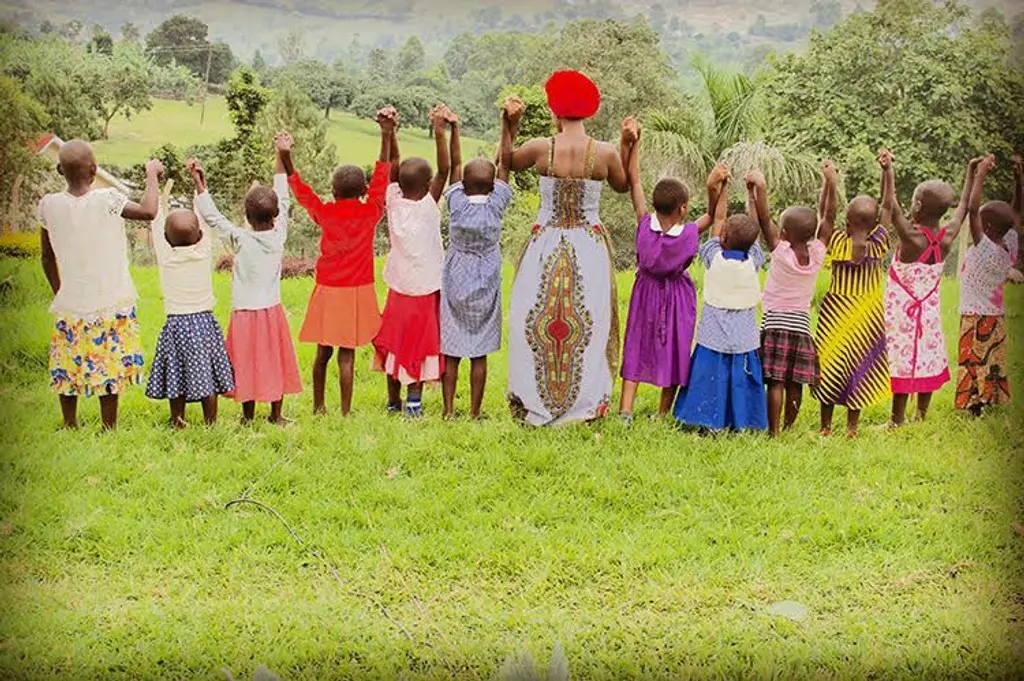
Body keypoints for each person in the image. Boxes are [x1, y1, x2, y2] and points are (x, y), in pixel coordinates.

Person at [503, 71, 632, 426]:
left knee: (535, 319)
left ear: (554, 112)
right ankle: (585, 403)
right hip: (589, 244)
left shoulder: (541, 148)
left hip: (545, 239)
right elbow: (622, 186)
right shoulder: (604, 153)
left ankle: (534, 399)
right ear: (588, 112)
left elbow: (507, 163)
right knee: (589, 322)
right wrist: (627, 145)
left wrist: (509, 125)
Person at [39, 140, 161, 430]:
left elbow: (46, 257)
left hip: (70, 302)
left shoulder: (49, 206)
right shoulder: (108, 199)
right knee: (109, 362)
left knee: (68, 363)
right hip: (111, 300)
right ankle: (109, 425)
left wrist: (61, 291)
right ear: (94, 170)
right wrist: (152, 174)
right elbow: (148, 211)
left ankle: (70, 422)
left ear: (60, 170)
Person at [281, 108, 395, 416]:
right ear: (362, 191)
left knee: (323, 353)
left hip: (328, 290)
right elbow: (382, 178)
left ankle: (319, 407)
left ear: (333, 190)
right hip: (357, 292)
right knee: (347, 355)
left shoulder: (326, 213)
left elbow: (302, 191)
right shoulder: (370, 211)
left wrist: (286, 155)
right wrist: (386, 134)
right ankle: (345, 411)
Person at [618, 118, 727, 422]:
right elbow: (712, 213)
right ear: (682, 208)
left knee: (637, 343)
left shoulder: (644, 224)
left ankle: (625, 410)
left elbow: (635, 180)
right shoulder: (690, 233)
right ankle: (662, 412)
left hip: (644, 292)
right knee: (675, 347)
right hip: (677, 296)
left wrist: (636, 143)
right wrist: (712, 185)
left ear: (654, 206)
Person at [189, 136, 301, 425]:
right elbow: (283, 195)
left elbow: (213, 218)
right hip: (271, 311)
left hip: (243, 314)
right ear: (276, 216)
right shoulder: (278, 237)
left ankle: (247, 417)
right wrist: (280, 153)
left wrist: (200, 185)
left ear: (245, 215)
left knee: (246, 363)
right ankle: (276, 415)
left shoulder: (239, 238)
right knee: (274, 360)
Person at [883, 152, 979, 425]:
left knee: (903, 360)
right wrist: (971, 174)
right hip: (928, 313)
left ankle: (896, 420)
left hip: (903, 315)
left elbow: (890, 207)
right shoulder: (947, 237)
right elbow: (962, 208)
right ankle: (920, 415)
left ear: (917, 204)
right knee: (926, 356)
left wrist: (888, 170)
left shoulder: (912, 238)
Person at [673, 170, 769, 432]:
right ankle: (742, 421)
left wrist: (723, 188)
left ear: (723, 238)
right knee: (741, 379)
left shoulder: (714, 257)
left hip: (712, 338)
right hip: (744, 340)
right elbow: (754, 228)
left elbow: (718, 218)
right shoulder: (754, 261)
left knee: (708, 379)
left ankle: (705, 420)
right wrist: (751, 194)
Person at [372, 105, 451, 417]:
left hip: (398, 289)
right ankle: (414, 405)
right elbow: (445, 170)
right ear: (430, 184)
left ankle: (393, 403)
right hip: (425, 291)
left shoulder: (393, 202)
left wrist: (390, 133)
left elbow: (393, 167)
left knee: (393, 343)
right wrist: (439, 130)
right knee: (417, 347)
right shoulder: (429, 207)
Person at [748, 162, 837, 437]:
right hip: (800, 326)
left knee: (774, 381)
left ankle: (773, 431)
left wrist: (760, 188)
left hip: (774, 322)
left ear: (784, 233)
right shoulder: (818, 254)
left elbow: (764, 219)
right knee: (794, 382)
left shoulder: (780, 251)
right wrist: (830, 183)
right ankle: (788, 427)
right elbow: (829, 218)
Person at [440, 105, 514, 419]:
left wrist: (454, 128)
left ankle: (447, 410)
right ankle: (474, 411)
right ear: (494, 185)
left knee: (452, 350)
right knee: (479, 352)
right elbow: (505, 163)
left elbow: (455, 163)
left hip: (456, 276)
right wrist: (506, 124)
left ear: (464, 185)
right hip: (486, 279)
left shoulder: (456, 202)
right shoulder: (498, 203)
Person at [813, 152, 893, 437]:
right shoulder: (879, 242)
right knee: (859, 368)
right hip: (867, 316)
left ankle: (825, 428)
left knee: (832, 364)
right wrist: (887, 171)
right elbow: (887, 208)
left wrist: (830, 183)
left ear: (846, 220)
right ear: (874, 226)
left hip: (836, 314)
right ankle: (852, 428)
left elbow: (826, 215)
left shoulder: (836, 241)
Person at [146, 206, 235, 427]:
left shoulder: (166, 258)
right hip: (204, 323)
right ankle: (210, 421)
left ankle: (178, 419)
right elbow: (203, 221)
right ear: (200, 236)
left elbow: (156, 223)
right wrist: (198, 185)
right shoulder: (204, 254)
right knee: (207, 374)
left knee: (176, 371)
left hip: (176, 325)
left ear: (166, 239)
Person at [956, 153, 1022, 415]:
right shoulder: (1010, 247)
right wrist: (1020, 181)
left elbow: (972, 209)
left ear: (988, 226)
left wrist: (980, 174)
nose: (977, 220)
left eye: (981, 219)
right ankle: (989, 398)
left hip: (974, 316)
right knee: (992, 358)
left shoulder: (984, 249)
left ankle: (975, 406)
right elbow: (1016, 214)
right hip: (996, 317)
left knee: (974, 361)